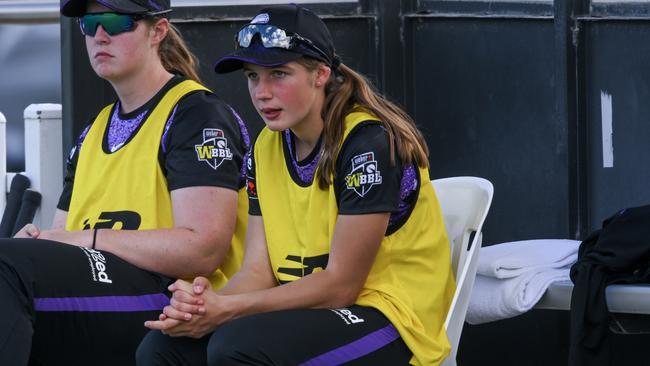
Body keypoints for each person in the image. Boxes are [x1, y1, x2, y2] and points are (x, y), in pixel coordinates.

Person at [138, 4, 455, 366]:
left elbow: (341, 286)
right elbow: (258, 270)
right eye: (253, 76)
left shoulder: (368, 144)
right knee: (163, 348)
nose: (262, 92)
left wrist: (228, 308)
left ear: (320, 74)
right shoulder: (266, 145)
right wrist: (204, 304)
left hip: (391, 316)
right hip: (312, 309)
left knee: (236, 346)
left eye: (278, 74)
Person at [0, 0, 249, 365]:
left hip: (173, 299)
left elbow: (203, 250)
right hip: (102, 291)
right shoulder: (94, 130)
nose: (100, 35)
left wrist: (85, 239)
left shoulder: (195, 114)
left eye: (116, 22)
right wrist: (38, 243)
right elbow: (61, 234)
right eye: (89, 23)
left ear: (158, 31)